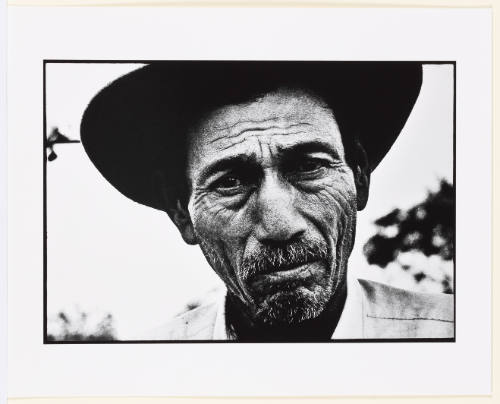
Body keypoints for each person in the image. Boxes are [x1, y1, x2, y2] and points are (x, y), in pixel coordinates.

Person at [80, 62, 454, 341]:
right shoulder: (141, 374)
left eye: (308, 166)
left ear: (358, 177)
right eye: (229, 182)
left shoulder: (465, 341)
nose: (280, 225)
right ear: (182, 213)